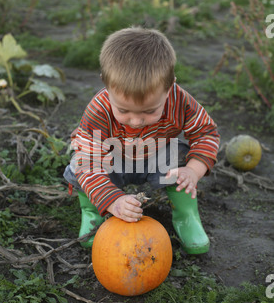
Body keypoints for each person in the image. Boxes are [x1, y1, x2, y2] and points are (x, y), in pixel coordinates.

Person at [64, 27, 220, 254]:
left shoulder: (180, 101)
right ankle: (93, 213)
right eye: (124, 110)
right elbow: (90, 163)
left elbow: (205, 133)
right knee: (80, 163)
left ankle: (186, 216)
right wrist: (112, 201)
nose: (136, 121)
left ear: (170, 87)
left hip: (157, 156)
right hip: (111, 159)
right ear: (106, 86)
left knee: (181, 155)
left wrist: (194, 171)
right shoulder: (98, 110)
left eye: (149, 111)